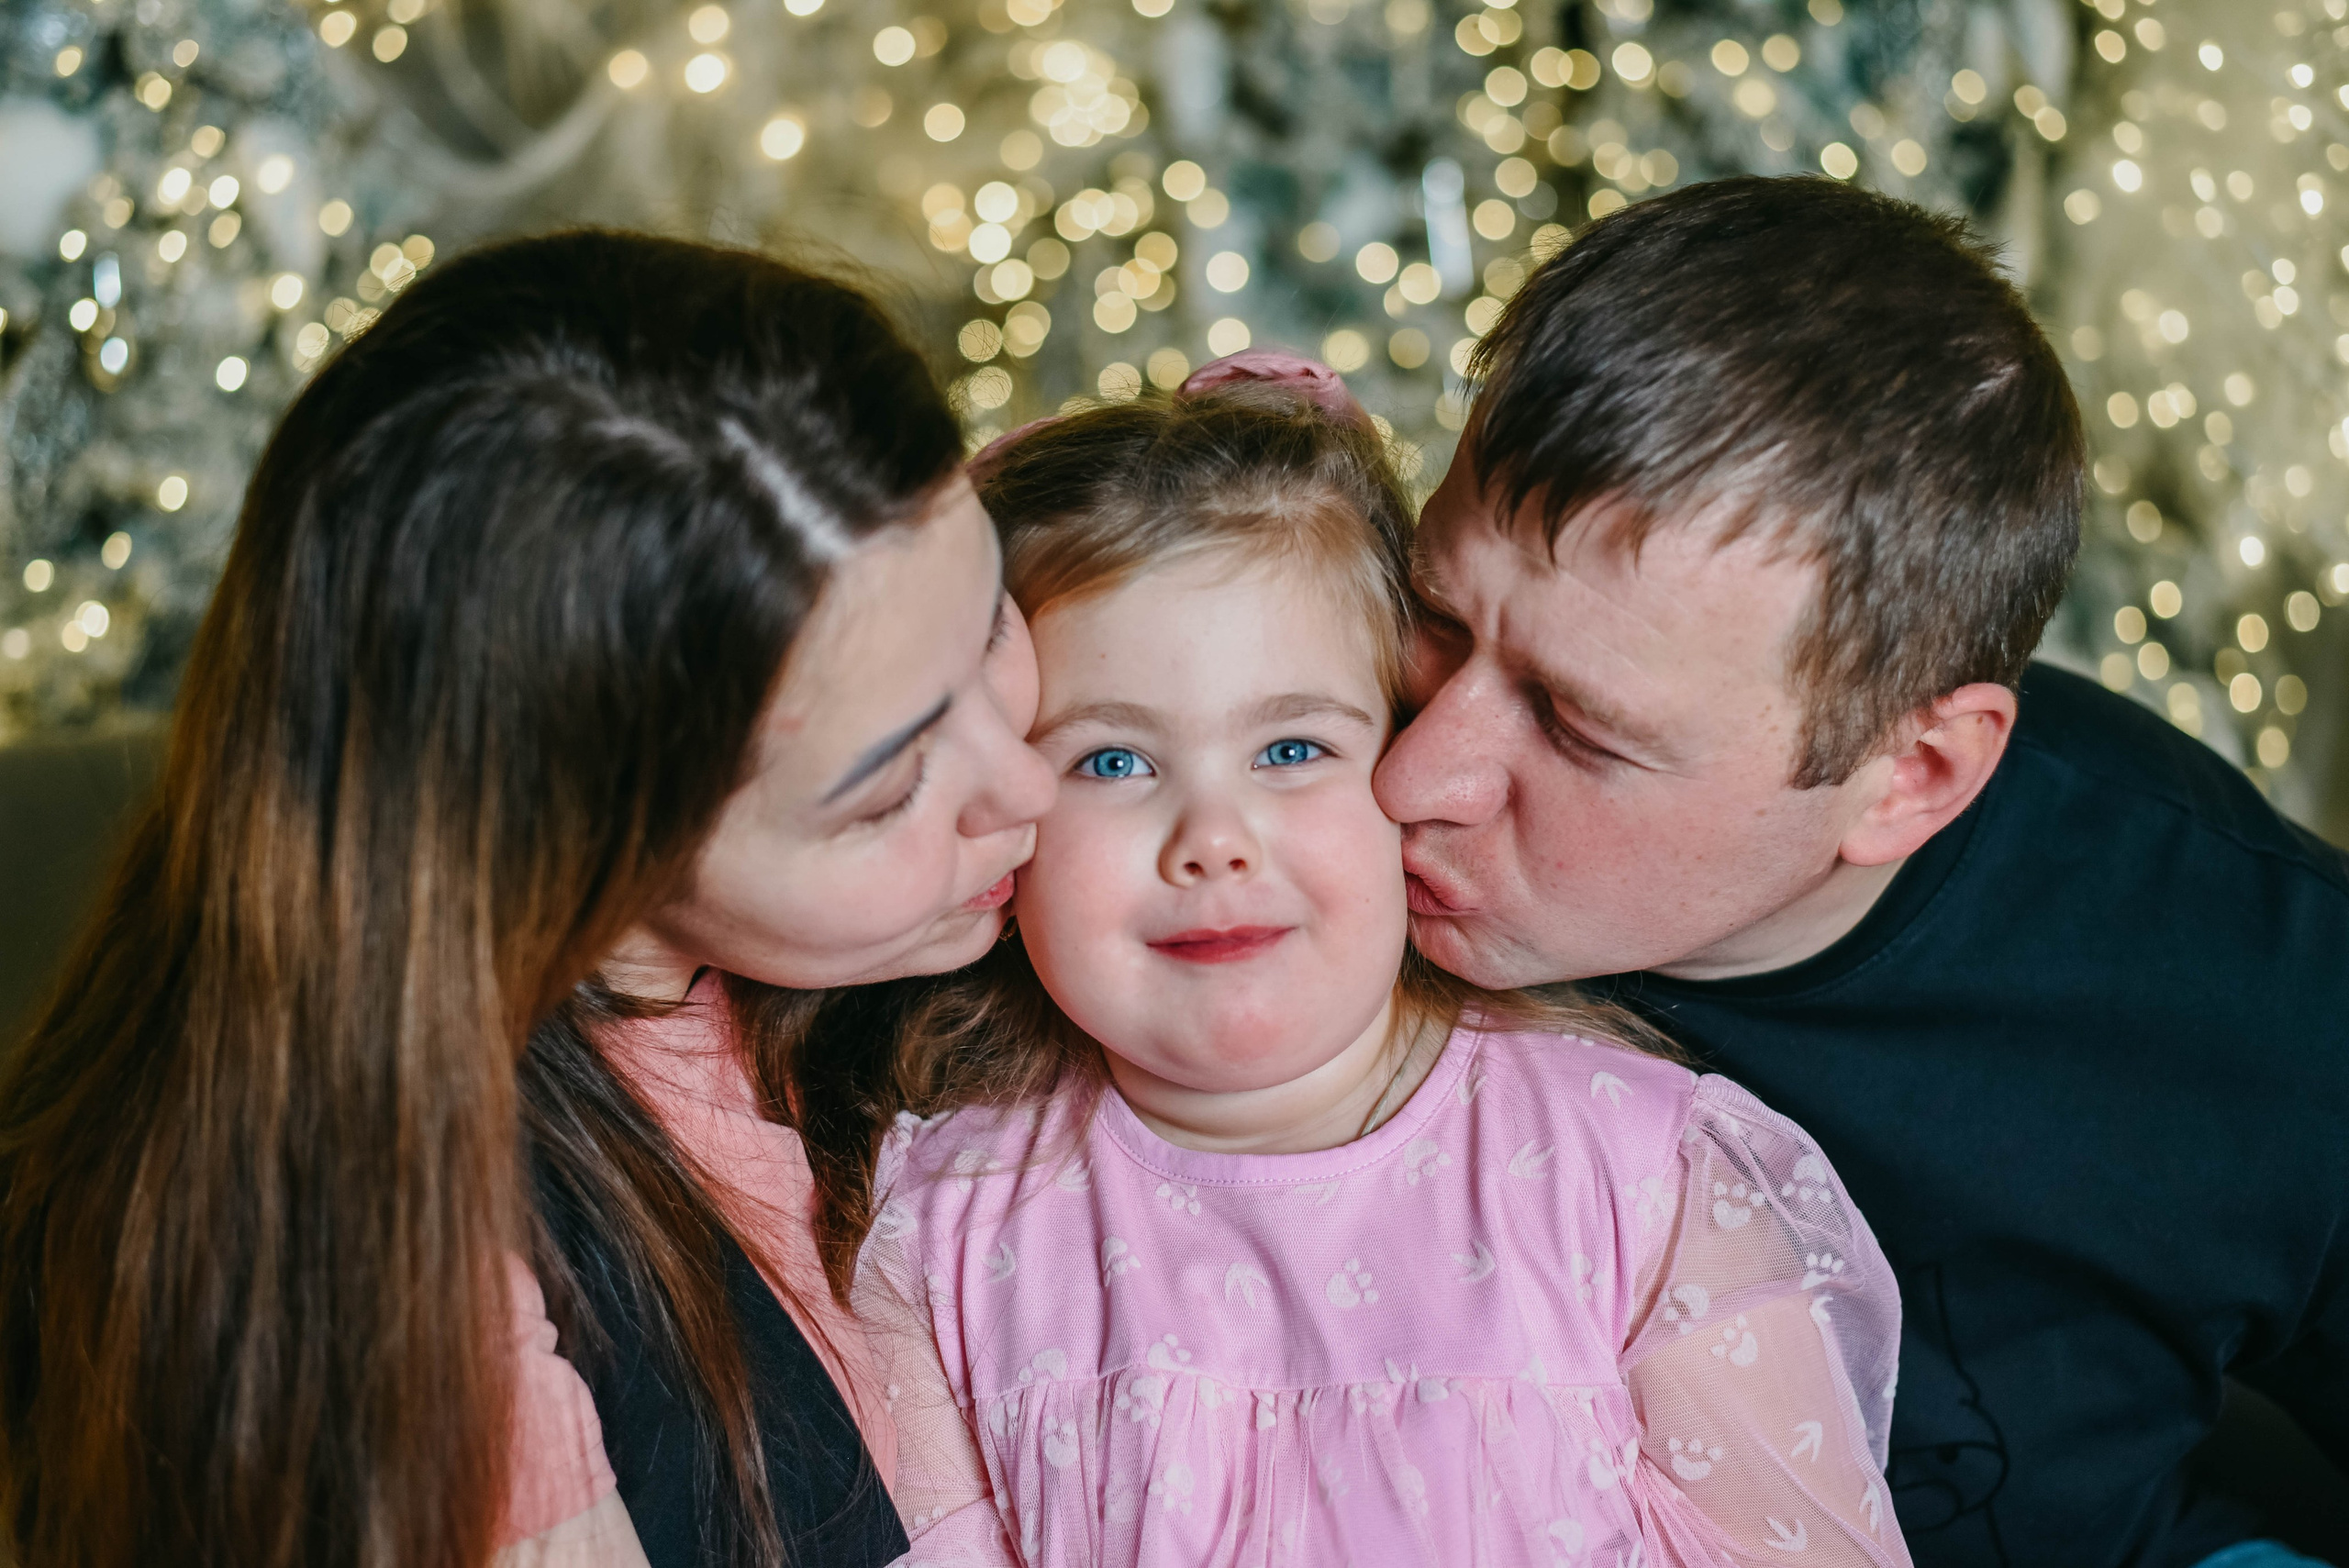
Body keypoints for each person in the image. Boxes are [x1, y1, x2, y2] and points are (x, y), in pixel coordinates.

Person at [0, 230, 1055, 1568]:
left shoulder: (796, 953)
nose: (1026, 783)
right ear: (576, 843)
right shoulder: (418, 1299)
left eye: (991, 626)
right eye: (888, 786)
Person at [1374, 175, 2349, 1568]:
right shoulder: (1277, 774)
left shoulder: (2264, 989)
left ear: (1914, 777)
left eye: (1579, 725)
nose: (1414, 779)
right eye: (1431, 616)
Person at [855, 359, 1914, 1566]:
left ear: (1409, 766)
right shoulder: (933, 1232)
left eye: (1293, 745)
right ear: (1004, 817)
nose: (1212, 841)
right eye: (1112, 762)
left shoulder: (1638, 1178)